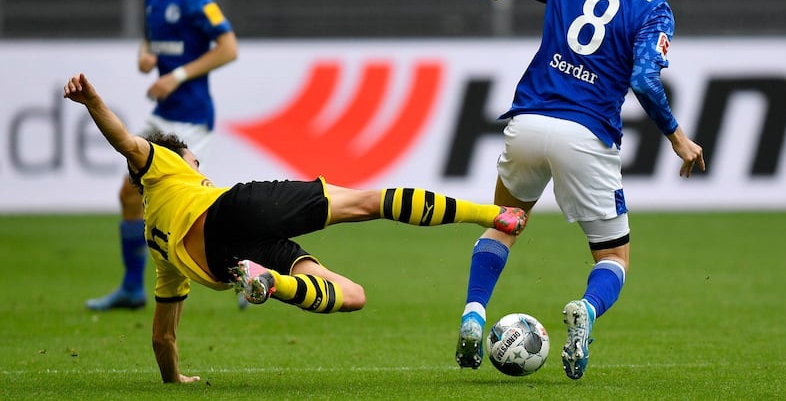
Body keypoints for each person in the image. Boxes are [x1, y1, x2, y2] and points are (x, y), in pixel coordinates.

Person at [63, 72, 528, 383]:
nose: (200, 165)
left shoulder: (157, 244)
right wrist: (93, 102)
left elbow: (163, 336)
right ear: (177, 157)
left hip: (228, 262)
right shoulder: (163, 164)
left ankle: (274, 284)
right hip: (235, 211)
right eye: (196, 160)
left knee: (353, 295)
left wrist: (174, 381)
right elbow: (125, 140)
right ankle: (493, 215)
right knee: (366, 202)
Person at [454, 0, 705, 380]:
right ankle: (586, 311)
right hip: (585, 135)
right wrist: (677, 137)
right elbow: (645, 79)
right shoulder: (655, 10)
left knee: (503, 223)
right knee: (613, 258)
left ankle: (474, 311)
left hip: (528, 121)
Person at [86, 0, 239, 311]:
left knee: (195, 206)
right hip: (163, 114)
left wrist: (177, 76)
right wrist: (144, 56)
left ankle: (249, 269)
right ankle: (132, 288)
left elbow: (228, 48)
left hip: (189, 117)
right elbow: (150, 40)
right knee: (129, 194)